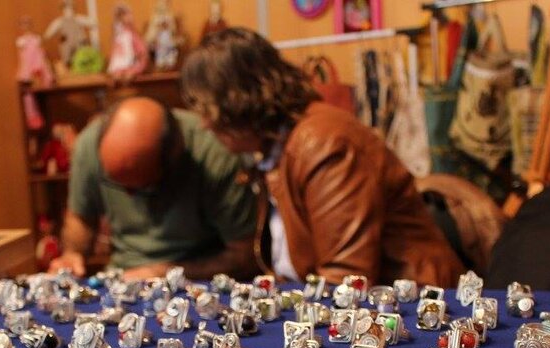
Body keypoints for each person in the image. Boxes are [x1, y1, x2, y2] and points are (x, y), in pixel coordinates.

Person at [180, 28, 465, 287]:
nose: (205, 125)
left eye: (209, 111)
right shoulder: (280, 145)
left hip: (407, 305)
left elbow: (347, 279)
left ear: (239, 102)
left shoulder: (322, 143)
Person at [48, 97, 259, 280]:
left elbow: (245, 256)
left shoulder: (215, 152)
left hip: (199, 279)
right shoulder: (88, 146)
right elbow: (81, 218)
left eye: (140, 187)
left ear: (173, 158)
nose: (129, 195)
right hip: (123, 276)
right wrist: (72, 255)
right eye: (117, 183)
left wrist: (165, 273)